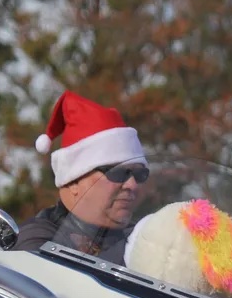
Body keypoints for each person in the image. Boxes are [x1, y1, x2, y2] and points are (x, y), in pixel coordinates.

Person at [13, 90, 150, 262]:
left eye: (139, 174)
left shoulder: (139, 236)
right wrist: (135, 253)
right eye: (118, 172)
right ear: (73, 182)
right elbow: (59, 281)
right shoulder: (34, 238)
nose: (132, 185)